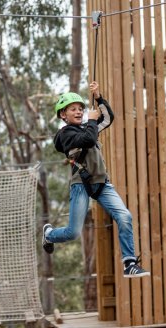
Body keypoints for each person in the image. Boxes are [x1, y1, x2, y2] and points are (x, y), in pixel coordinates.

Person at [42, 81, 150, 278]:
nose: (78, 111)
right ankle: (49, 234)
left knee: (125, 216)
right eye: (73, 109)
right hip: (81, 186)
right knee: (73, 233)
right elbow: (88, 139)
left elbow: (108, 118)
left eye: (80, 108)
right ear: (62, 115)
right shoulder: (65, 134)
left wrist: (99, 97)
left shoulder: (87, 128)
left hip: (102, 183)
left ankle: (129, 263)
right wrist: (91, 121)